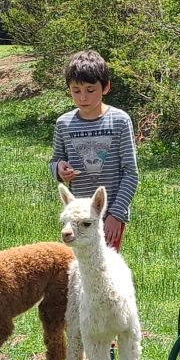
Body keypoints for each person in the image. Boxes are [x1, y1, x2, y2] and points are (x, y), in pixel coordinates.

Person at [50, 50, 138, 252]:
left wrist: (116, 214)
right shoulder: (64, 124)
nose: (83, 97)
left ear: (105, 87)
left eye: (90, 90)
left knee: (104, 269)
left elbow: (131, 173)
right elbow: (55, 160)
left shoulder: (120, 121)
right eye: (76, 90)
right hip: (77, 216)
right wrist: (59, 169)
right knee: (78, 269)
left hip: (110, 215)